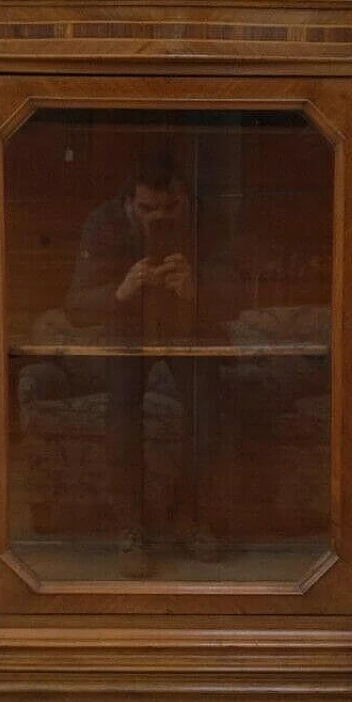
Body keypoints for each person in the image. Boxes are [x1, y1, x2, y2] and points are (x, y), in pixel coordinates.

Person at [65, 155, 223, 577]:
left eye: (170, 211)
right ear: (128, 204)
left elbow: (242, 293)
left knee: (209, 403)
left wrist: (196, 290)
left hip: (190, 333)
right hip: (125, 332)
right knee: (120, 408)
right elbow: (76, 306)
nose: (158, 220)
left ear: (186, 202)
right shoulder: (103, 223)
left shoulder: (207, 220)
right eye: (147, 210)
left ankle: (193, 519)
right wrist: (120, 291)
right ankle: (129, 527)